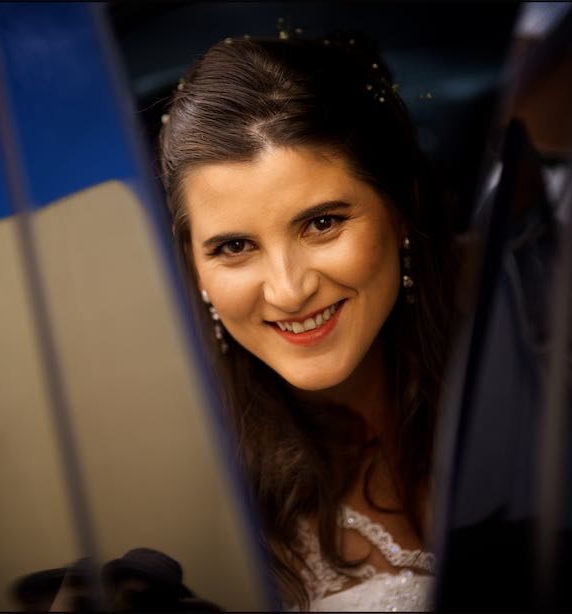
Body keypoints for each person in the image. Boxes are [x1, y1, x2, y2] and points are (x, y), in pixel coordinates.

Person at [157, 31, 457, 611]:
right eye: (235, 246)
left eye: (321, 224)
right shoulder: (205, 513)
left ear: (402, 210)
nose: (289, 290)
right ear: (193, 268)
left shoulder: (536, 382)